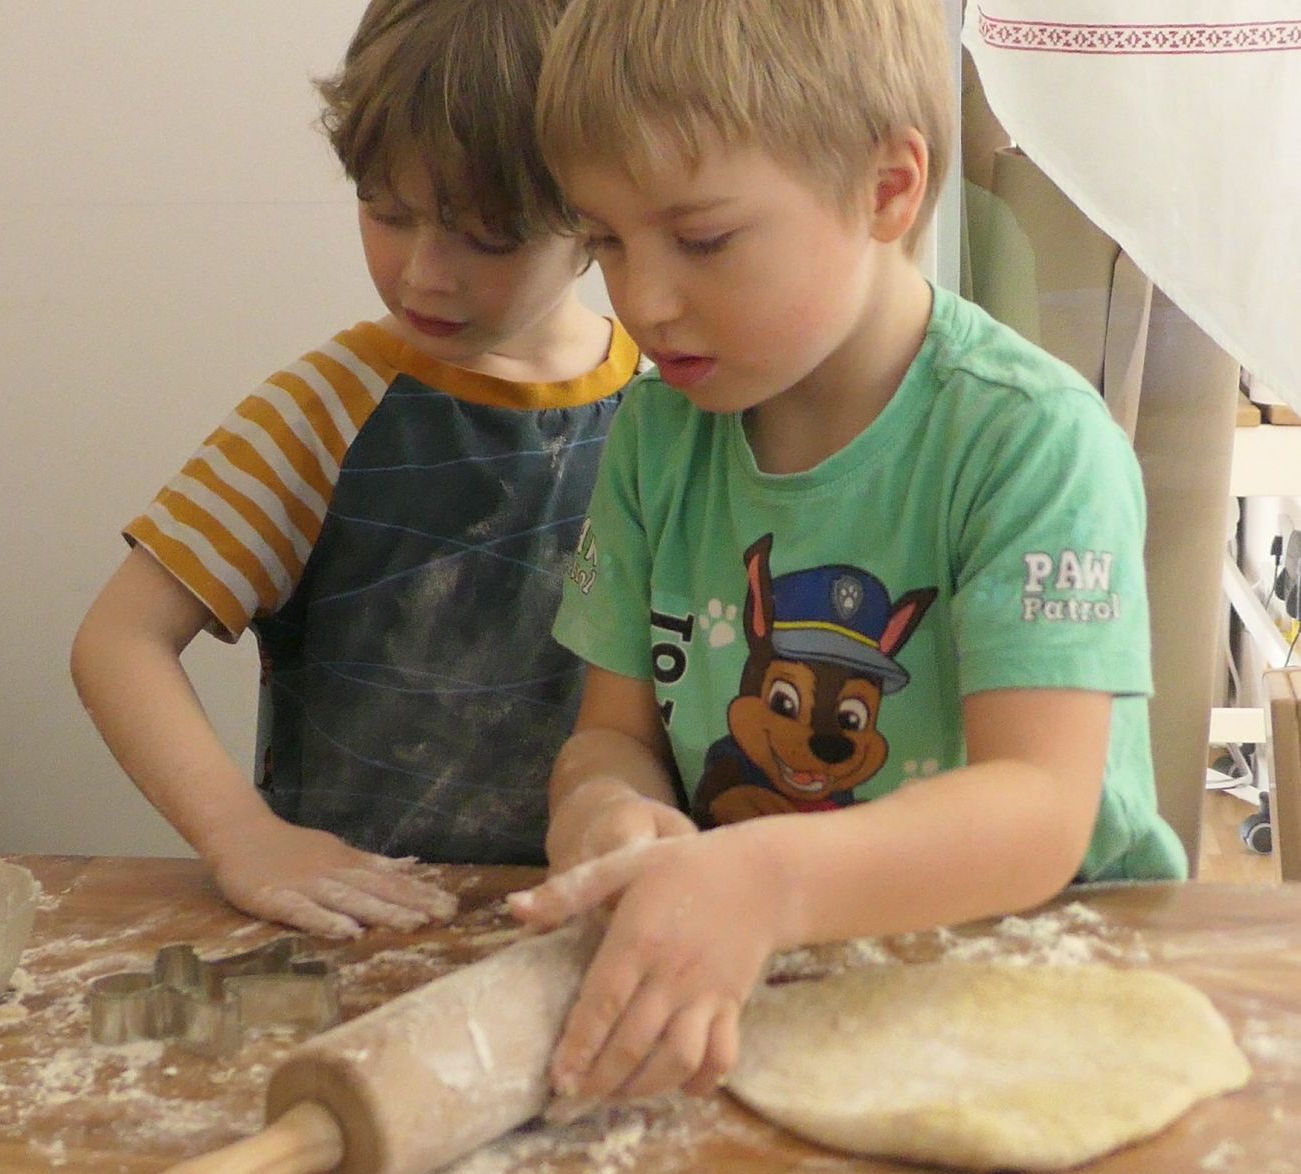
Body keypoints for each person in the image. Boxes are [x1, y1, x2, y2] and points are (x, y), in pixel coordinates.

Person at [506, 0, 1186, 1108]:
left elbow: (1039, 808)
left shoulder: (1028, 442)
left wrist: (763, 883)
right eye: (605, 242)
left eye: (703, 238)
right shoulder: (656, 439)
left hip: (1043, 981)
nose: (641, 301)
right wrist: (605, 814)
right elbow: (612, 735)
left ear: (886, 190)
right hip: (776, 987)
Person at [71, 0, 640, 939]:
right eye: (388, 213)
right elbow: (119, 641)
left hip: (592, 923)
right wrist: (241, 836)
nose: (423, 273)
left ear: (596, 215)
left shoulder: (667, 412)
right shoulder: (329, 410)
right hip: (359, 925)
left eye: (489, 235)